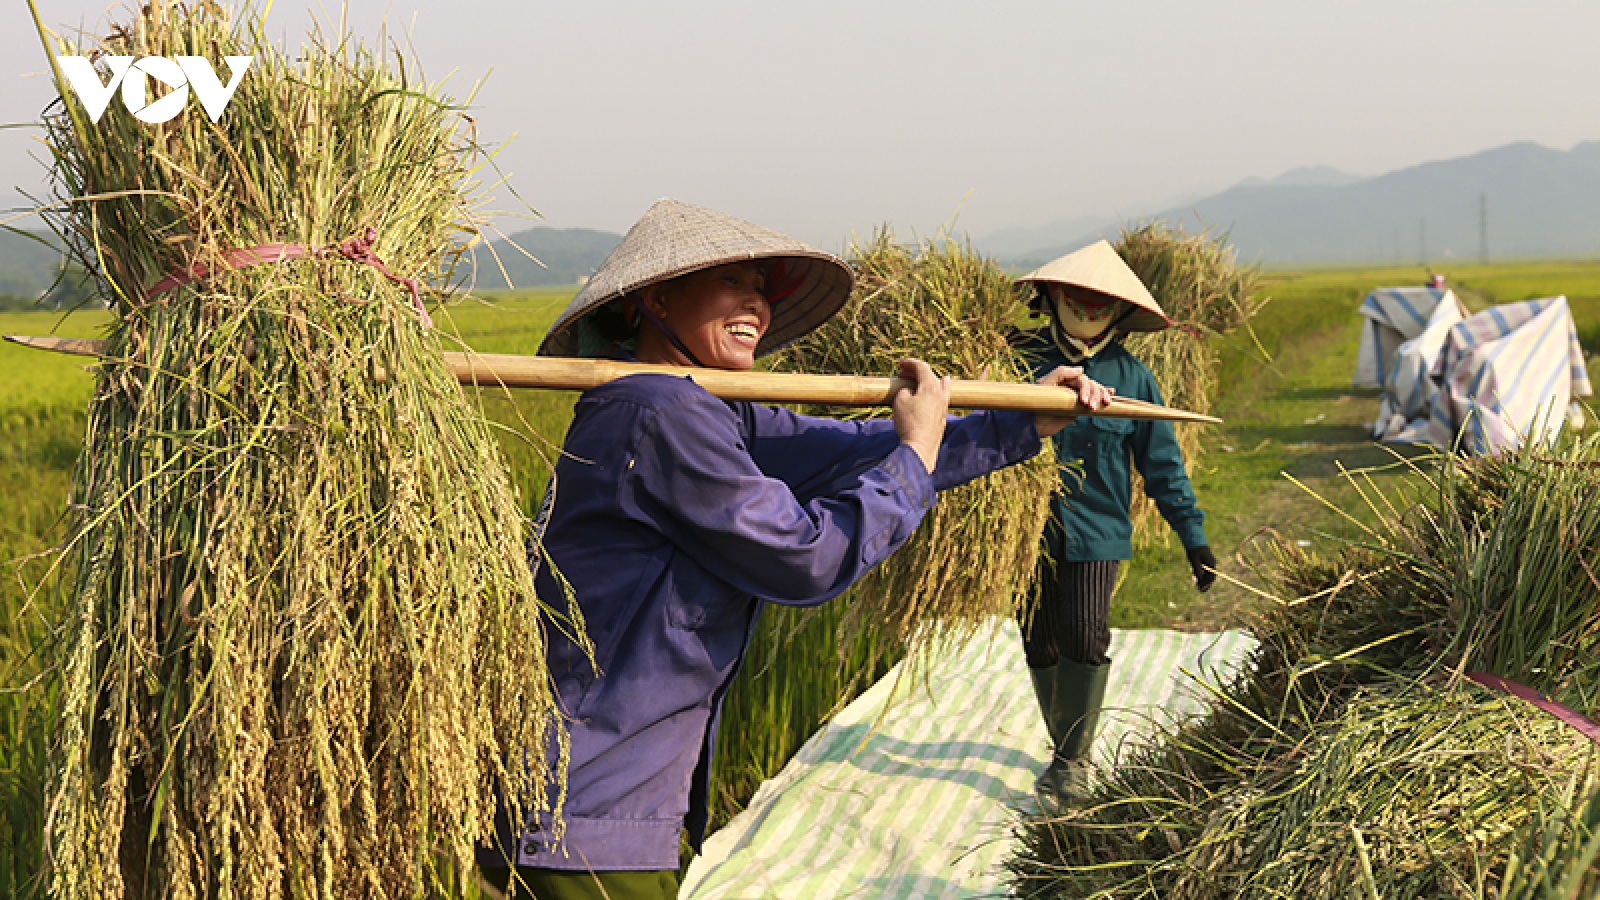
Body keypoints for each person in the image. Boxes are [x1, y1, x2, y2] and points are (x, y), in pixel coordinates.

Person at [477, 199, 1113, 900]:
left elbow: (851, 450)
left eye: (762, 288)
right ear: (656, 299)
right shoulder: (662, 416)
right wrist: (918, 450)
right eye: (735, 284)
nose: (758, 302)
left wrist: (1022, 421)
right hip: (590, 810)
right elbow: (805, 556)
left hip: (598, 804)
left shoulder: (709, 411)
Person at [1012, 239, 1216, 807]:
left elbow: (1162, 466)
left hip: (1097, 530)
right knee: (1040, 639)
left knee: (1084, 633)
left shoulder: (1134, 378)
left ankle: (1073, 761)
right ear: (1050, 298)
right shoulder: (1017, 361)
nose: (1090, 310)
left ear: (1121, 312)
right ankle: (1062, 743)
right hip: (1025, 534)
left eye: (1103, 302)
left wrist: (1193, 538)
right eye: (1079, 299)